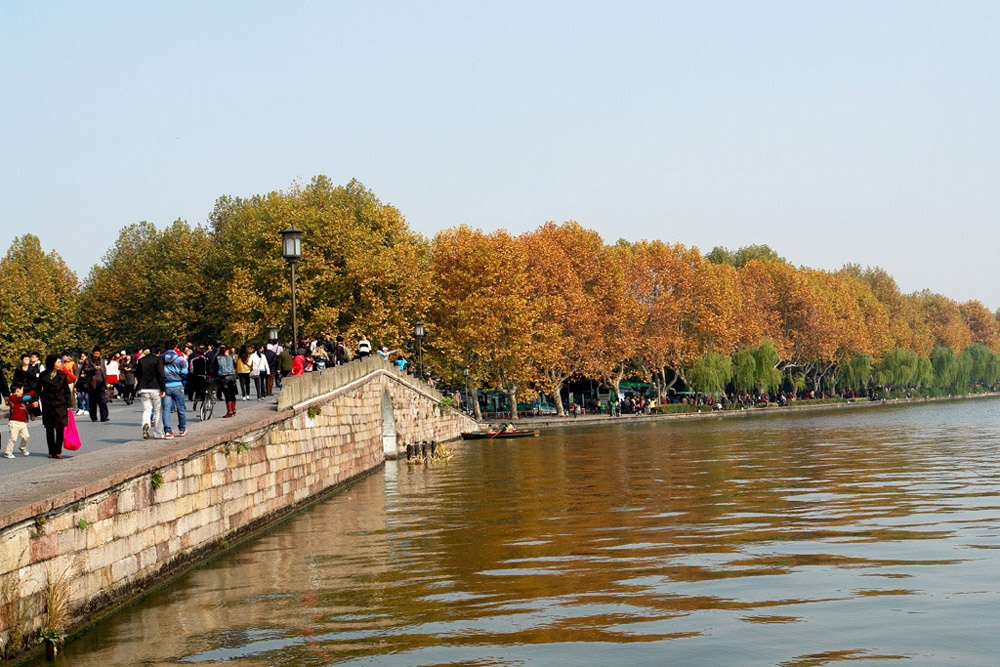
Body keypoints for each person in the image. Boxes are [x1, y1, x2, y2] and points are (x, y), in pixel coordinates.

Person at [35, 354, 72, 459]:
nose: (60, 364)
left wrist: (69, 405)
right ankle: (51, 451)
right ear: (52, 363)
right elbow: (38, 389)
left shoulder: (62, 375)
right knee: (49, 428)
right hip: (48, 404)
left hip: (60, 404)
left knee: (60, 428)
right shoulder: (43, 375)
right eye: (58, 362)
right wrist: (35, 400)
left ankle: (58, 451)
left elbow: (66, 390)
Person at [136, 345, 166, 440]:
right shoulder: (158, 360)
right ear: (158, 352)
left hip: (144, 388)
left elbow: (138, 374)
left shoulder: (141, 360)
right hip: (156, 387)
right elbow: (161, 375)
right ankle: (158, 432)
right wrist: (163, 389)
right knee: (158, 411)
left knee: (146, 409)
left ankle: (145, 423)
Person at [161, 339, 189, 439]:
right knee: (180, 408)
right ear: (175, 347)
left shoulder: (161, 358)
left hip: (166, 386)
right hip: (178, 385)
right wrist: (184, 383)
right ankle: (182, 428)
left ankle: (168, 431)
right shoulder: (180, 359)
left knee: (166, 410)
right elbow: (185, 372)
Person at [82, 347, 109, 422]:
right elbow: (85, 369)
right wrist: (94, 369)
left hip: (101, 383)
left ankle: (104, 417)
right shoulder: (88, 361)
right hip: (92, 383)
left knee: (102, 400)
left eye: (98, 353)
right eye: (96, 353)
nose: (97, 355)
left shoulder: (101, 361)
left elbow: (104, 372)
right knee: (93, 401)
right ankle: (94, 417)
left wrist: (106, 382)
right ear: (93, 353)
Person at [4, 384, 32, 458]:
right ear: (17, 390)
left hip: (22, 422)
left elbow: (24, 406)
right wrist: (34, 392)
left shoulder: (20, 401)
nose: (22, 391)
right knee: (13, 438)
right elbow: (27, 397)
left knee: (26, 436)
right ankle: (8, 452)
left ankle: (22, 447)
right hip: (14, 422)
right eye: (22, 390)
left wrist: (31, 405)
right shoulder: (13, 397)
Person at [216, 345, 238, 417]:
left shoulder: (218, 358)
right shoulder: (230, 357)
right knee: (233, 394)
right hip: (232, 376)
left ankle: (229, 411)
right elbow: (234, 365)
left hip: (224, 377)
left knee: (227, 395)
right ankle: (233, 408)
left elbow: (216, 368)